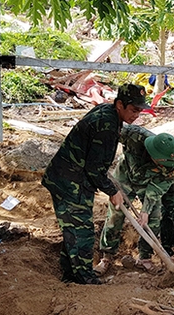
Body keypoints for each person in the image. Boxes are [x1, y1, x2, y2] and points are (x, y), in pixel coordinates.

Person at [42, 83, 150, 285]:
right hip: (69, 181)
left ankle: (70, 274)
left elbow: (95, 162)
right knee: (81, 230)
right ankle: (84, 278)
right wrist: (111, 191)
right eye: (133, 110)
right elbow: (94, 169)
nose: (136, 115)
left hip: (74, 178)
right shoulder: (106, 125)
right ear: (120, 104)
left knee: (73, 228)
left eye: (139, 110)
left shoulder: (109, 113)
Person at [94, 127, 174, 276]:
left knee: (153, 217)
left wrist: (145, 210)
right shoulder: (134, 135)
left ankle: (144, 258)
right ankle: (106, 257)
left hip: (149, 184)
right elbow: (108, 131)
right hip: (124, 176)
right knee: (116, 215)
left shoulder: (172, 163)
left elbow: (158, 188)